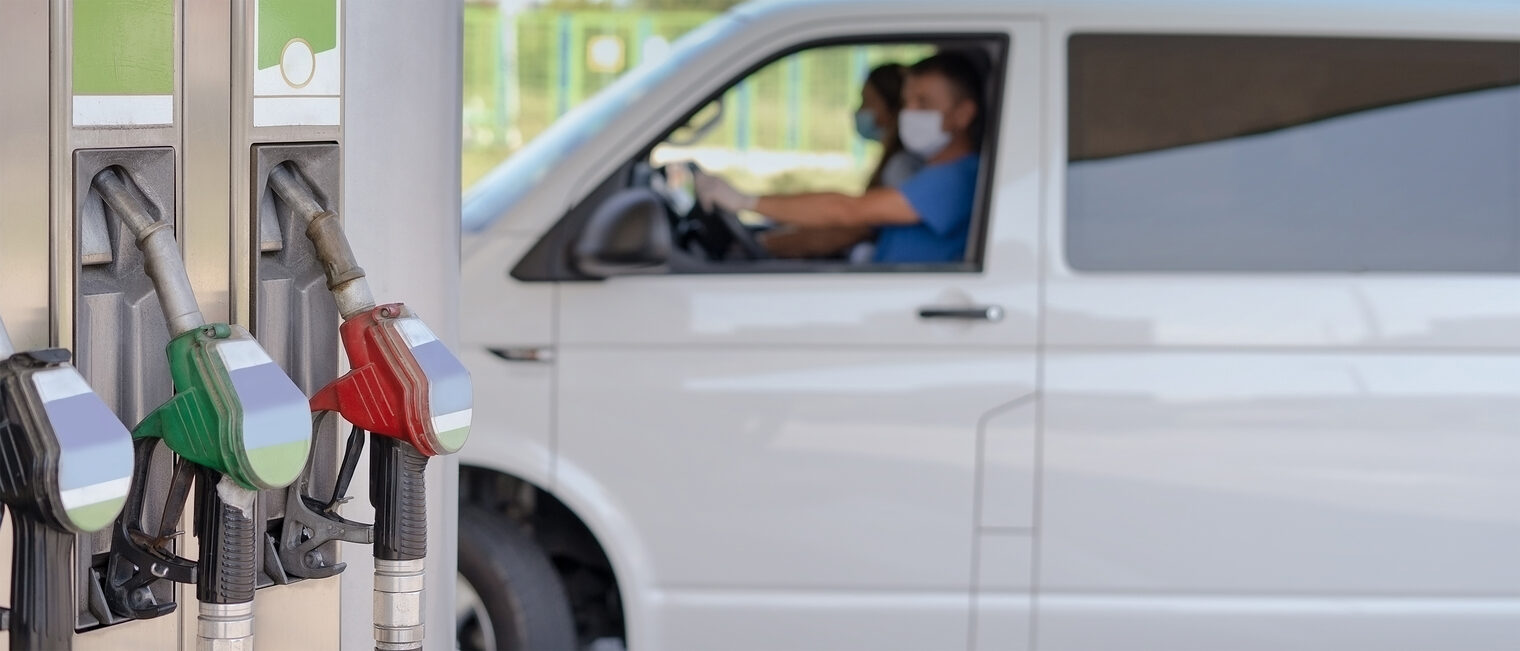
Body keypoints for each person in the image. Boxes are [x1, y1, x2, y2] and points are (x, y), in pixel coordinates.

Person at [698, 51, 984, 264]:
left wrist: (747, 201)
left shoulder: (957, 178)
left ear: (963, 114)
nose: (908, 113)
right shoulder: (926, 173)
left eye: (923, 103)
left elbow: (847, 211)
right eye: (906, 102)